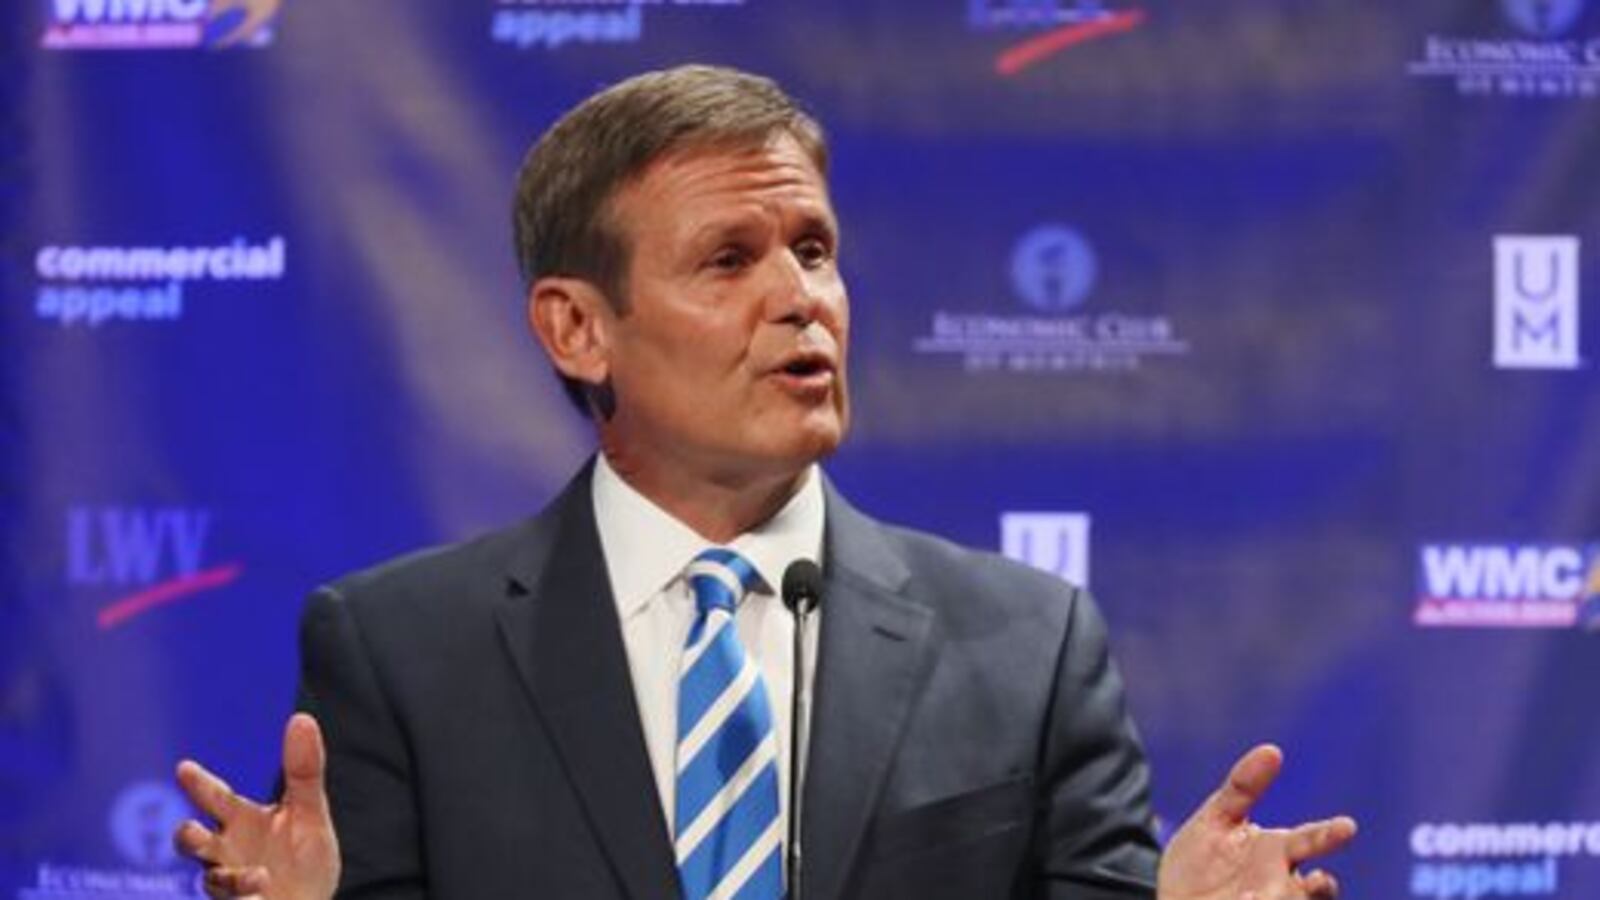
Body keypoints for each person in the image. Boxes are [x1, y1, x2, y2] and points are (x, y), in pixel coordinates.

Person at [172, 65, 1355, 899]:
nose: (799, 297)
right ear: (578, 328)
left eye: (814, 249)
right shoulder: (400, 652)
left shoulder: (1027, 643)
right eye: (729, 260)